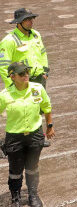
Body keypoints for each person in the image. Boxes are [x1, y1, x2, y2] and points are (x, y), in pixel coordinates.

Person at [1, 62, 54, 207]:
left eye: (27, 72)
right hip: (14, 137)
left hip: (35, 135)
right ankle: (16, 197)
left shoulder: (37, 88)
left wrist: (50, 126)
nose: (26, 76)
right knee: (15, 170)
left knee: (32, 166)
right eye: (22, 73)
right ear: (12, 77)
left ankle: (33, 195)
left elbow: (46, 107)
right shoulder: (5, 95)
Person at [0, 9, 48, 89]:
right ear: (19, 22)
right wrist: (13, 85)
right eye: (27, 20)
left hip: (40, 80)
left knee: (41, 101)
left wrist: (45, 72)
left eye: (32, 19)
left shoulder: (36, 35)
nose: (31, 21)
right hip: (21, 83)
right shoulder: (9, 41)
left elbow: (43, 53)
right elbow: (3, 66)